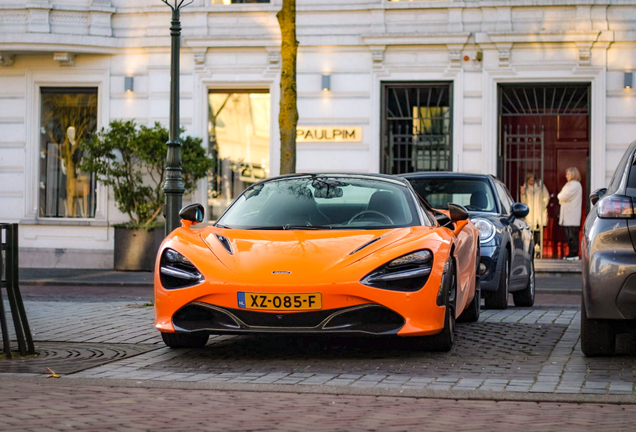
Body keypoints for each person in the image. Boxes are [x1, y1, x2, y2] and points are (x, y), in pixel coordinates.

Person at [520, 173, 550, 257]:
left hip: (539, 212)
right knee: (531, 233)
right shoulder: (525, 187)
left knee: (539, 233)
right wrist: (523, 194)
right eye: (529, 180)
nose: (531, 181)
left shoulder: (540, 185)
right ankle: (531, 251)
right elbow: (524, 202)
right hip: (530, 213)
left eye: (532, 180)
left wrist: (543, 205)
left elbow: (546, 196)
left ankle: (538, 251)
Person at [557, 167, 583, 260]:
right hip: (568, 214)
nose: (566, 176)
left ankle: (574, 253)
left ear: (573, 174)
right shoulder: (569, 184)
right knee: (569, 235)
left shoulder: (575, 185)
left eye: (568, 174)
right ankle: (572, 253)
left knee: (572, 235)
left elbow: (563, 196)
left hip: (572, 214)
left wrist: (560, 196)